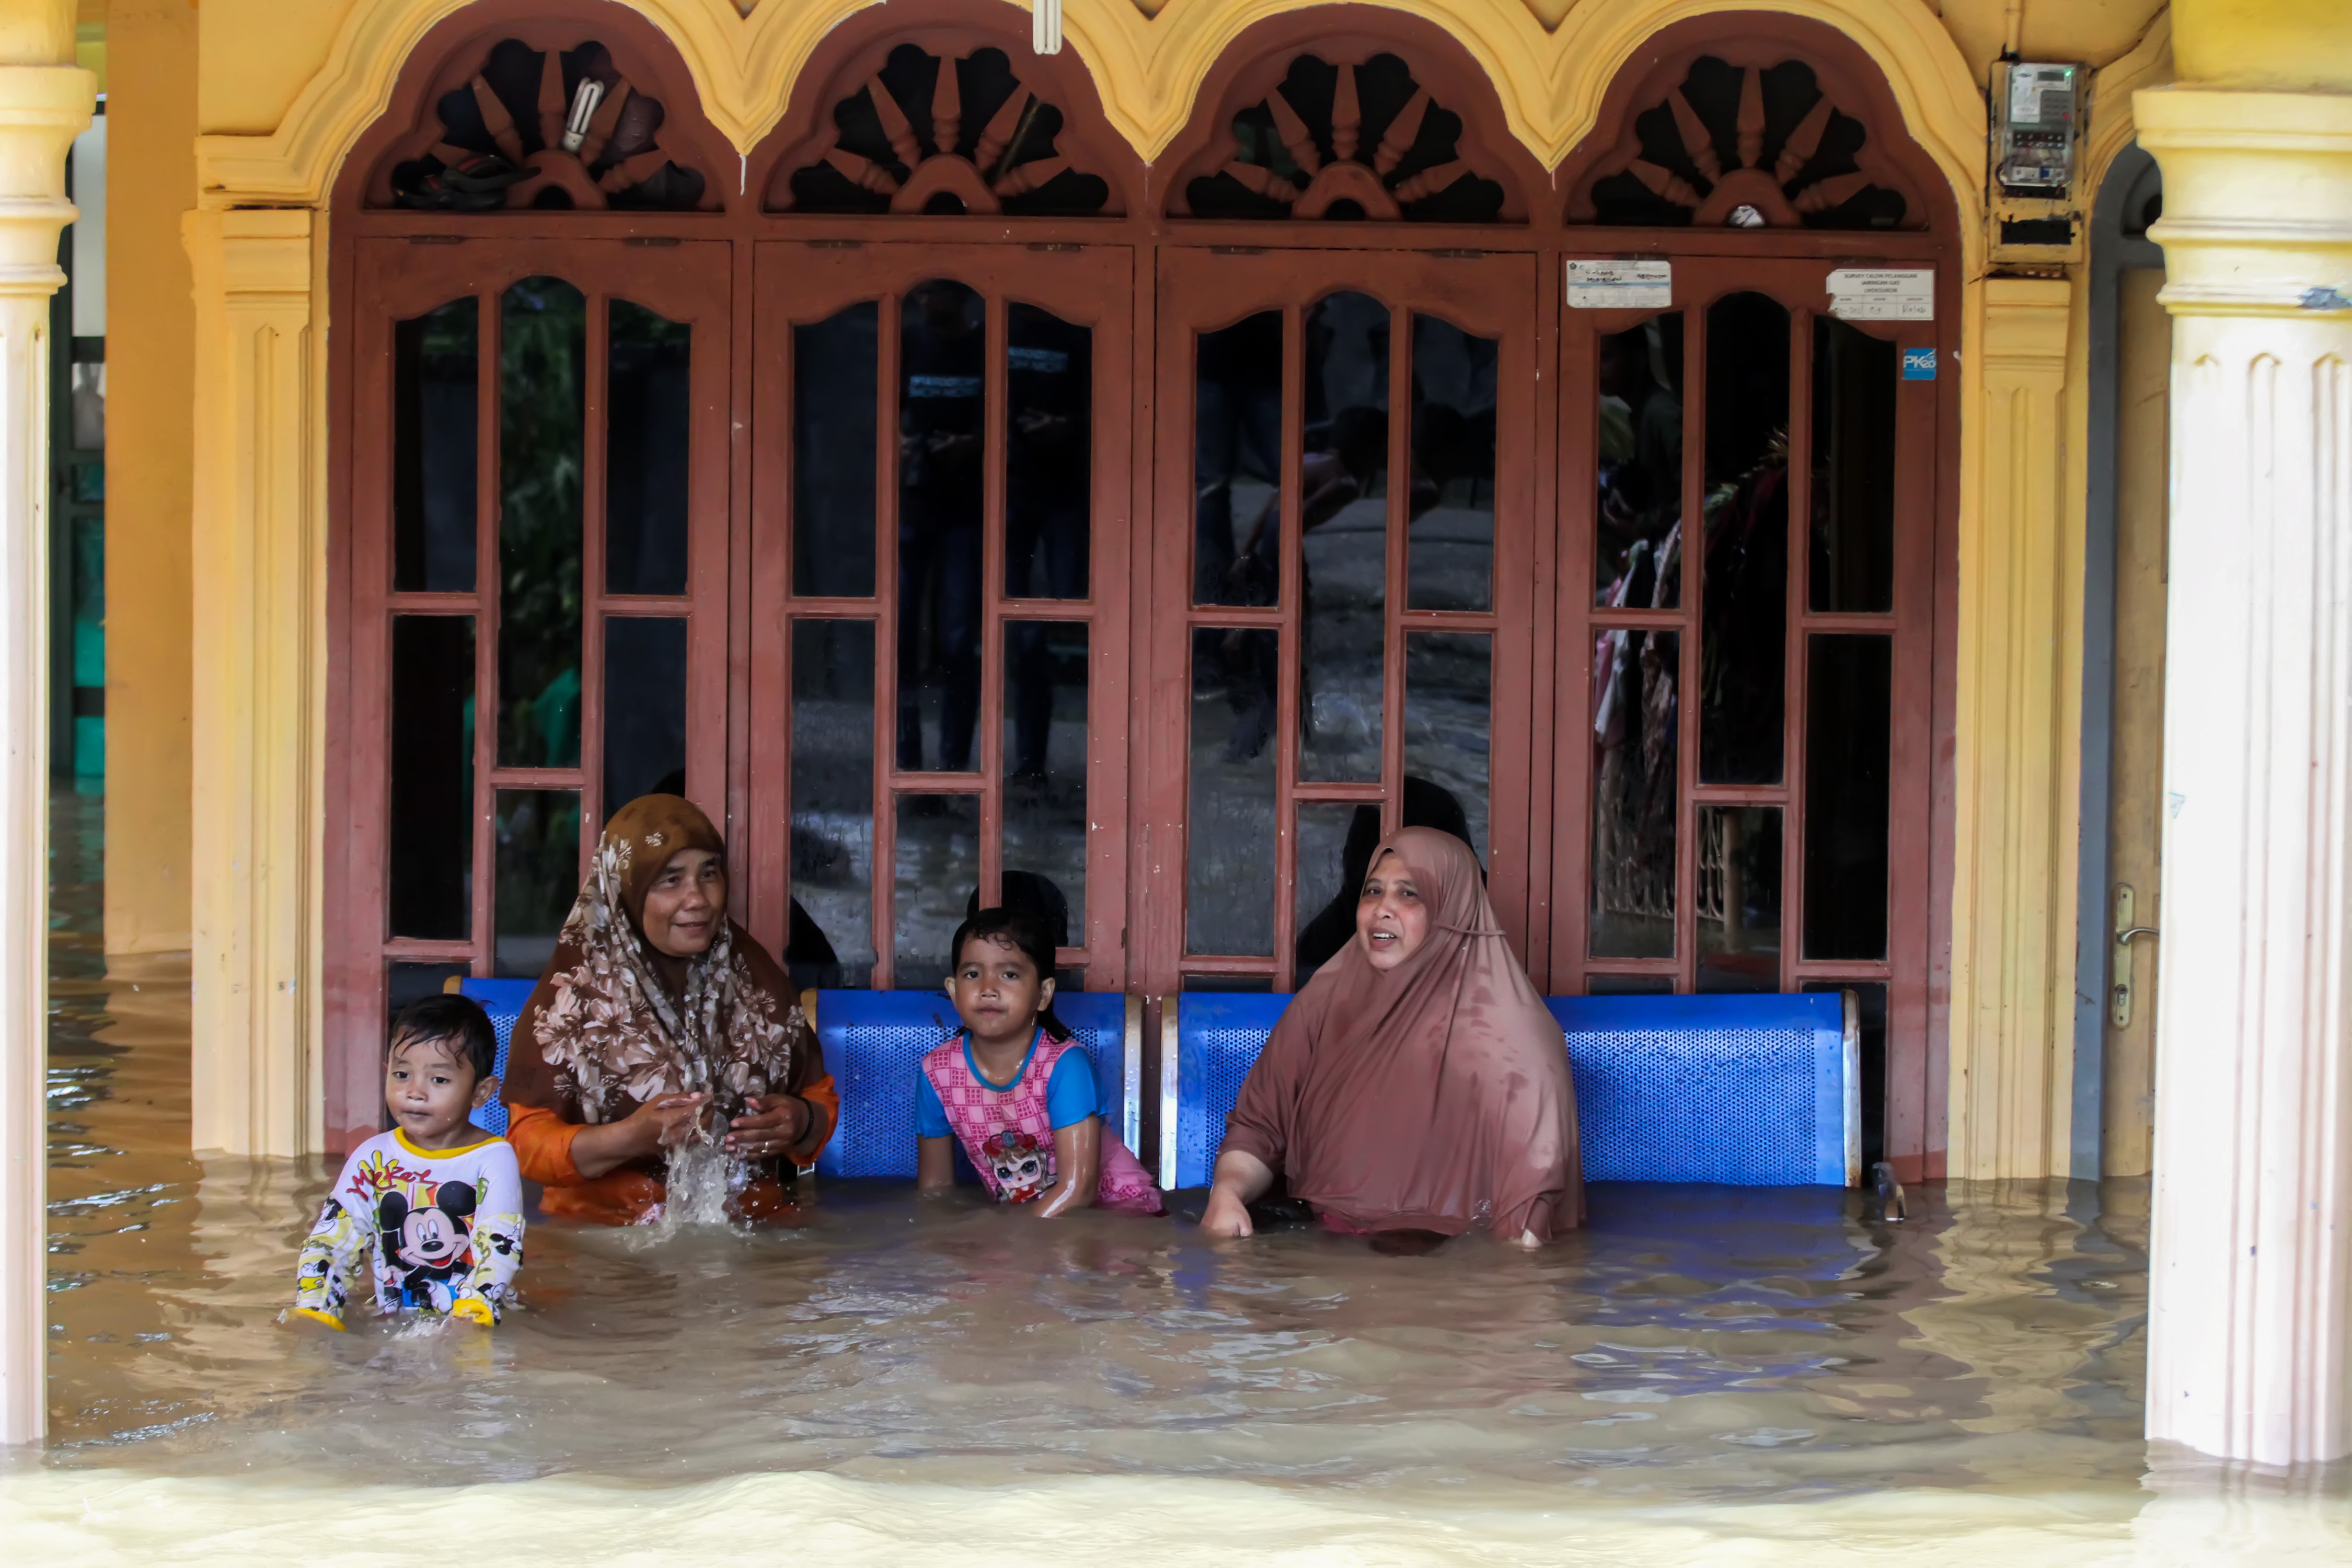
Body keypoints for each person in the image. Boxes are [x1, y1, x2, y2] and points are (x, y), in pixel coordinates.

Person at [1200, 826, 1583, 1246]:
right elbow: (1260, 1126)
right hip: (1320, 1254)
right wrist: (1228, 1192)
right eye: (1373, 891)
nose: (1382, 909)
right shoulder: (1325, 1002)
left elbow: (1526, 1224)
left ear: (1452, 909)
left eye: (1409, 894)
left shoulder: (1511, 1039)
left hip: (1447, 1265)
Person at [503, 794, 839, 1225]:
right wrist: (631, 1137)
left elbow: (817, 1096)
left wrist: (799, 1122)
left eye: (709, 874)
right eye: (670, 880)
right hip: (605, 1236)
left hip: (751, 1228)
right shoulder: (573, 1000)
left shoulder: (755, 981)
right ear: (626, 889)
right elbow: (526, 1146)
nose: (697, 899)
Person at [291, 994, 523, 1329]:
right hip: (396, 1321)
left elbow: (500, 1245)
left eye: (439, 1080)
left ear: (481, 1092)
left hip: (479, 1321)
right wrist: (316, 1307)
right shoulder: (373, 1157)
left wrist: (475, 1312)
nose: (415, 1091)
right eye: (402, 1074)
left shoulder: (492, 1158)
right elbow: (333, 1239)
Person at [917, 908, 1162, 1216]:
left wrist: (1016, 1240)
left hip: (1117, 1211)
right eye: (972, 974)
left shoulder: (1065, 1065)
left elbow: (1078, 1190)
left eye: (1009, 974)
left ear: (1043, 994)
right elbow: (935, 1191)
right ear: (953, 992)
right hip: (1029, 1225)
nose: (988, 989)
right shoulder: (936, 1072)